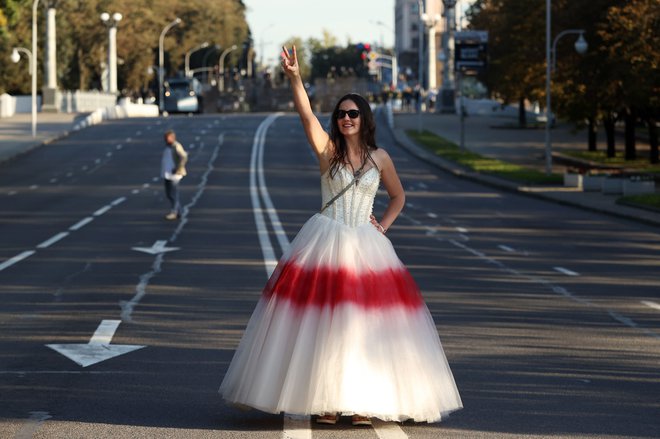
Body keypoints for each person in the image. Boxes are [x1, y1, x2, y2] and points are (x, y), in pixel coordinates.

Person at [219, 46, 462, 426]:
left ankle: (363, 402)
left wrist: (383, 225)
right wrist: (295, 78)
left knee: (366, 325)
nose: (346, 118)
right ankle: (327, 402)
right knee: (324, 324)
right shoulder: (327, 151)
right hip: (325, 240)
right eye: (341, 114)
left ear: (364, 119)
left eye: (353, 113)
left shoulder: (381, 158)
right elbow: (304, 115)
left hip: (367, 246)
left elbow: (399, 196)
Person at [161, 129, 188, 220]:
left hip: (175, 175)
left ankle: (174, 212)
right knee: (169, 194)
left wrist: (178, 168)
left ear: (172, 138)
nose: (165, 139)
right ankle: (179, 211)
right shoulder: (168, 146)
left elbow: (184, 156)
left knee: (173, 194)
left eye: (167, 138)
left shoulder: (176, 146)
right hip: (167, 174)